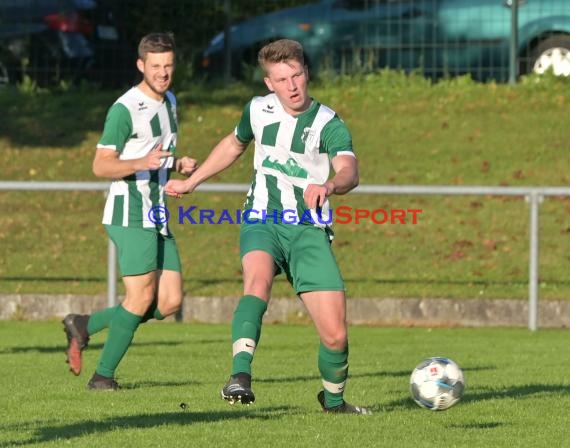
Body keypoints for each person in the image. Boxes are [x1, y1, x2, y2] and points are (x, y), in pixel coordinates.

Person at [165, 39, 371, 414]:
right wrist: (193, 182)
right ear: (268, 83)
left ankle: (335, 402)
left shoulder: (327, 122)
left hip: (308, 230)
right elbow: (234, 143)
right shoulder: (258, 111)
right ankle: (239, 375)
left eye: (297, 75)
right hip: (262, 218)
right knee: (257, 280)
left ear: (306, 73)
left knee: (336, 334)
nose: (292, 86)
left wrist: (329, 184)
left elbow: (349, 170)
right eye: (282, 79)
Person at [62, 32, 197, 390]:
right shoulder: (124, 109)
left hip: (157, 213)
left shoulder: (170, 100)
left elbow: (159, 153)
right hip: (129, 212)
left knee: (168, 302)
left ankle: (84, 325)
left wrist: (177, 162)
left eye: (168, 66)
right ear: (141, 66)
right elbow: (100, 165)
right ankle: (103, 377)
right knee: (139, 298)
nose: (163, 73)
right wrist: (142, 161)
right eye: (155, 66)